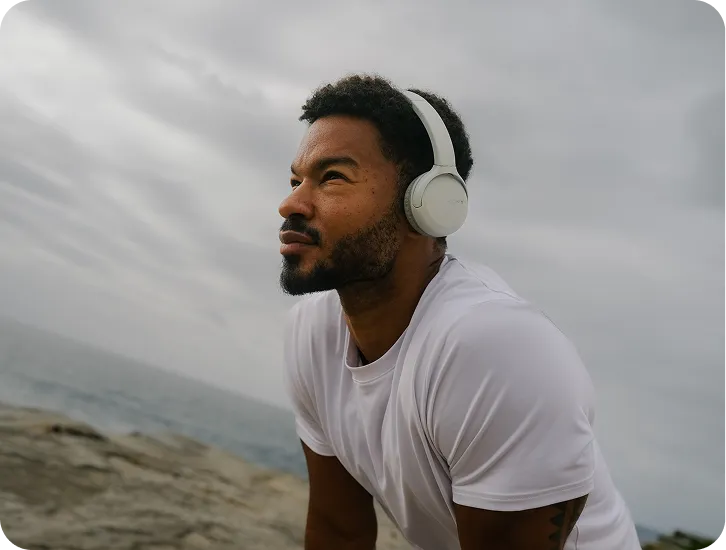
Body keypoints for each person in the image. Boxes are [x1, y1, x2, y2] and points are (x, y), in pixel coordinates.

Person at [278, 73, 641, 550]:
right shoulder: (313, 333)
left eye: (332, 178)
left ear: (429, 205)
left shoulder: (495, 350)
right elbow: (338, 530)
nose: (290, 204)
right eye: (295, 179)